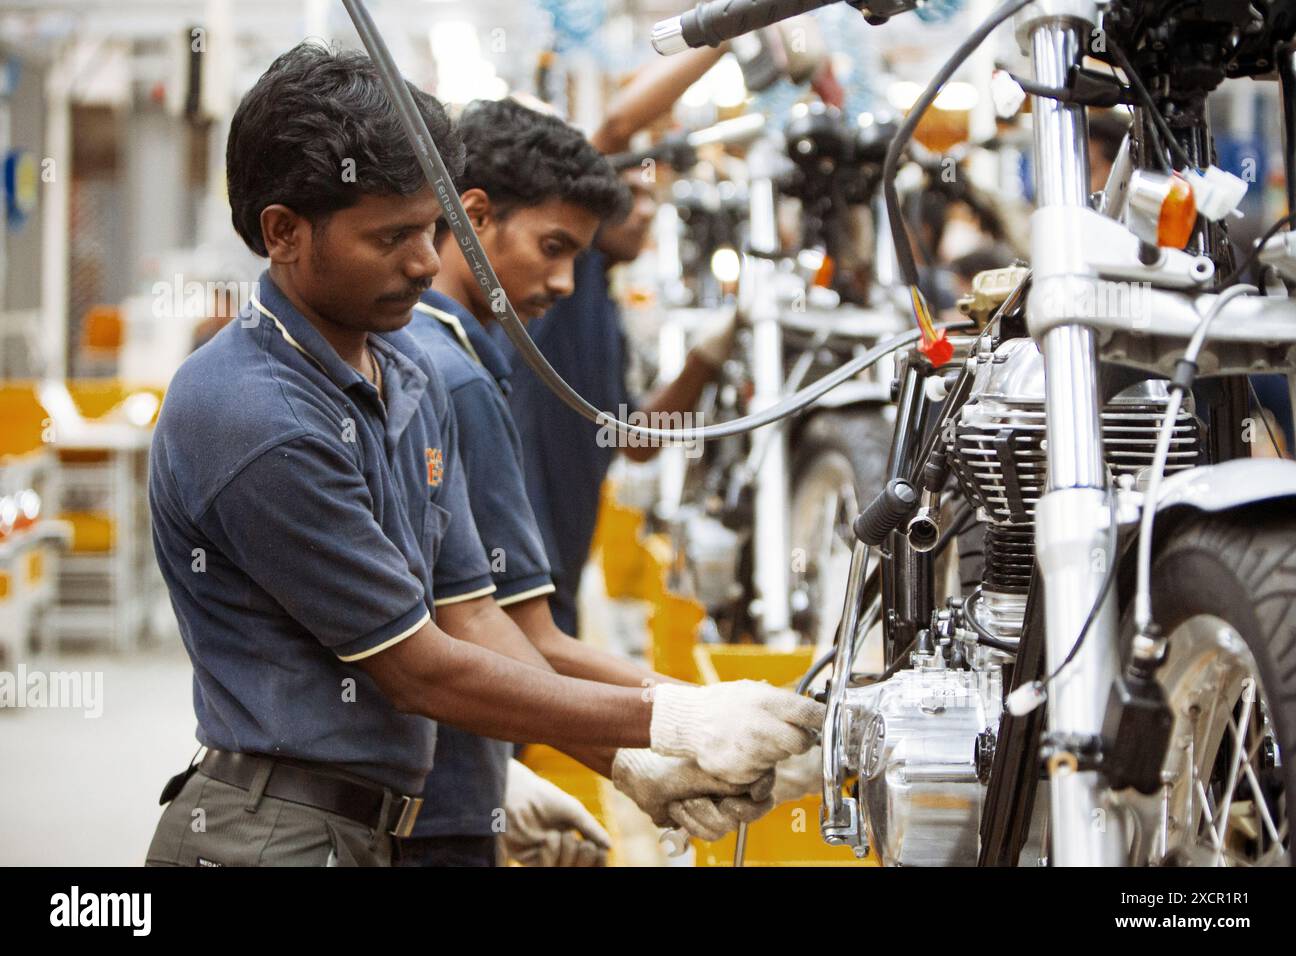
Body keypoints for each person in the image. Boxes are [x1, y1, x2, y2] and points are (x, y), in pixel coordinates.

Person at [144, 42, 822, 868]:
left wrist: (632, 762)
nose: (429, 262)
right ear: (283, 233)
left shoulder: (405, 373)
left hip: (383, 822)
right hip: (275, 837)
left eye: (433, 228)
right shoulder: (255, 413)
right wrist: (679, 722)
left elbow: (472, 614)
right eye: (392, 236)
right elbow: (418, 669)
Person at [401, 98, 779, 866]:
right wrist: (683, 717)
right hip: (446, 792)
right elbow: (510, 637)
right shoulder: (455, 377)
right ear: (472, 217)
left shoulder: (439, 356)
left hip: (462, 769)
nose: (567, 280)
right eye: (552, 247)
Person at [495, 47, 736, 639]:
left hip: (561, 572)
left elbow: (637, 441)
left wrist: (706, 358)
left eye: (655, 196)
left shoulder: (599, 303)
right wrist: (726, 33)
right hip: (523, 574)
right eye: (631, 193)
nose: (646, 210)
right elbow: (618, 128)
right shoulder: (560, 290)